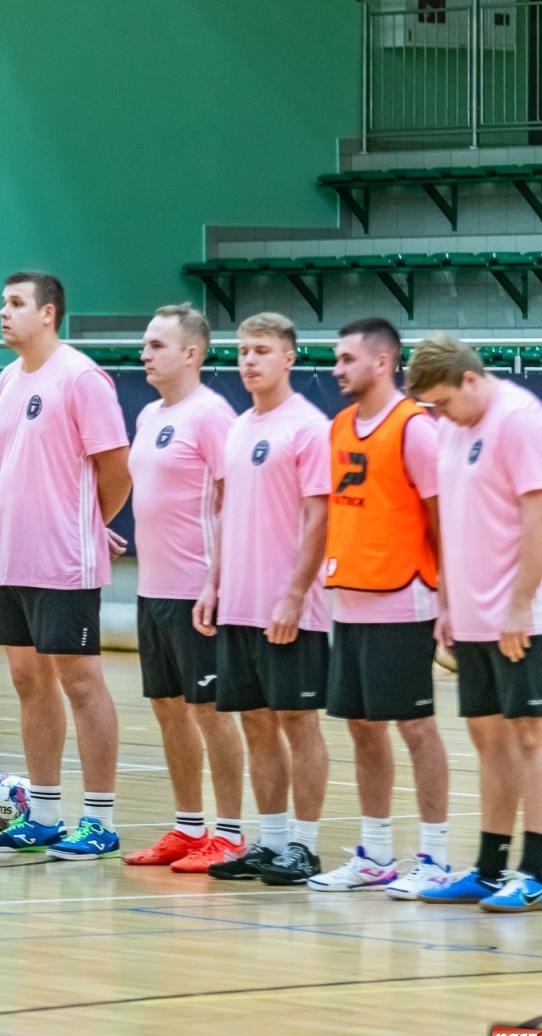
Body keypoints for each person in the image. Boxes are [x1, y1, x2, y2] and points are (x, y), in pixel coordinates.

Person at [406, 334, 542, 913]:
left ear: (471, 380)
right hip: (472, 614)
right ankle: (488, 869)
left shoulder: (521, 421)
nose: (438, 415)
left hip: (527, 615)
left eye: (442, 402)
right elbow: (454, 522)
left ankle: (534, 875)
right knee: (487, 737)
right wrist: (449, 600)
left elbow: (541, 514)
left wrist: (521, 604)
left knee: (532, 734)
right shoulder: (452, 428)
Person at [0, 271, 132, 861]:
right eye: (2, 301)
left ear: (48, 313)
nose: (3, 311)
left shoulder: (81, 377)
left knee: (81, 683)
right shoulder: (10, 378)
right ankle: (41, 814)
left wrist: (86, 523)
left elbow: (116, 471)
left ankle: (99, 820)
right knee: (27, 681)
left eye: (16, 303)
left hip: (64, 563)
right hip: (14, 560)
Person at [308, 319, 453, 898]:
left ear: (383, 361)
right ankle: (375, 854)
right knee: (363, 730)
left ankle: (436, 857)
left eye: (347, 359)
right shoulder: (340, 426)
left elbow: (443, 519)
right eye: (337, 358)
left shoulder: (414, 428)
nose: (337, 368)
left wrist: (449, 598)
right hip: (350, 600)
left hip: (404, 598)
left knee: (416, 727)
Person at [198, 312, 332, 885]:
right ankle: (271, 841)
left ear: (289, 358)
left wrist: (295, 595)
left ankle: (305, 845)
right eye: (243, 351)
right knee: (255, 722)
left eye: (261, 350)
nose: (249, 361)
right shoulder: (237, 429)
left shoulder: (309, 427)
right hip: (238, 603)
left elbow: (320, 515)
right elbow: (226, 513)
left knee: (298, 720)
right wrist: (213, 583)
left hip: (289, 606)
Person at [121, 303, 247, 872]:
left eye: (157, 346)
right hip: (152, 591)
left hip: (199, 591)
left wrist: (219, 581)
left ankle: (230, 833)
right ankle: (189, 827)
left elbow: (236, 500)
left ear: (191, 353)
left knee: (210, 710)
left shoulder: (212, 415)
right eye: (145, 344)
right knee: (168, 708)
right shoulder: (150, 415)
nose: (144, 354)